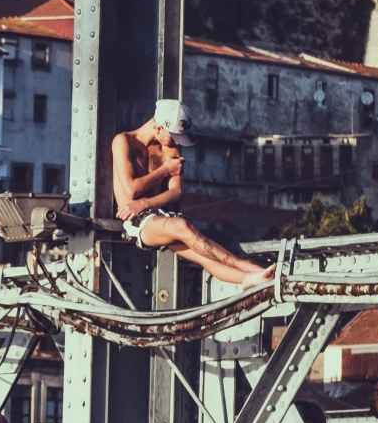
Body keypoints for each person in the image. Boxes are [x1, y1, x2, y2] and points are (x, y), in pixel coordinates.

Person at [109, 102, 273, 288]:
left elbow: (176, 192)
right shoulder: (124, 141)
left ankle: (248, 278)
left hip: (158, 215)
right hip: (135, 223)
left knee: (204, 256)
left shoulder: (170, 148)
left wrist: (145, 203)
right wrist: (165, 170)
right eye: (174, 136)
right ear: (158, 127)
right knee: (182, 225)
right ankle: (250, 268)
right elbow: (131, 190)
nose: (177, 142)